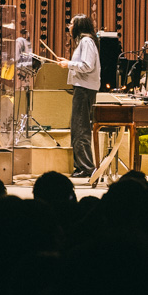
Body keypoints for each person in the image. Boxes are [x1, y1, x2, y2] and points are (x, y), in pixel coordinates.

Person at [58, 15, 100, 179]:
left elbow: (87, 66)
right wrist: (68, 62)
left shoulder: (86, 41)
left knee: (80, 128)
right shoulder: (85, 41)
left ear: (78, 26)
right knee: (79, 128)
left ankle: (86, 167)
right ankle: (83, 166)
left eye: (71, 24)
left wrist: (68, 64)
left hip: (85, 89)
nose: (69, 26)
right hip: (84, 88)